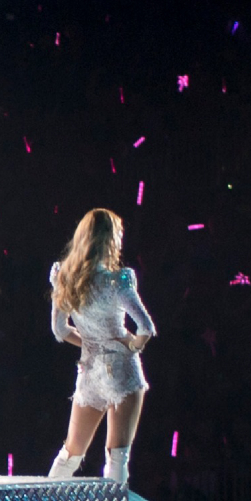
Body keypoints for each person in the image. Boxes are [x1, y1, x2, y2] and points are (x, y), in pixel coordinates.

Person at [46, 208, 156, 485]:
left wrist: (92, 342)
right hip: (121, 370)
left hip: (90, 371)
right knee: (117, 456)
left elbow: (60, 330)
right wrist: (133, 345)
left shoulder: (65, 277)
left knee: (70, 454)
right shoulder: (117, 280)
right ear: (110, 239)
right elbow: (146, 327)